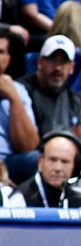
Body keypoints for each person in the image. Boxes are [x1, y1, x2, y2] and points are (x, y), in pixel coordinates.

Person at [17, 35, 81, 136]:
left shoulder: (76, 100)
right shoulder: (21, 91)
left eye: (64, 61)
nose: (57, 67)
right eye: (52, 59)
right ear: (39, 63)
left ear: (72, 67)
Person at [0, 31, 39, 181]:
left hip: (9, 162)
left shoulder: (18, 90)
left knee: (41, 160)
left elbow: (28, 147)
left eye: (0, 52)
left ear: (8, 59)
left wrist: (14, 98)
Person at [11, 133, 80, 207]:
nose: (58, 168)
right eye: (52, 160)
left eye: (65, 162)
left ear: (74, 166)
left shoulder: (77, 199)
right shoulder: (20, 198)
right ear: (40, 163)